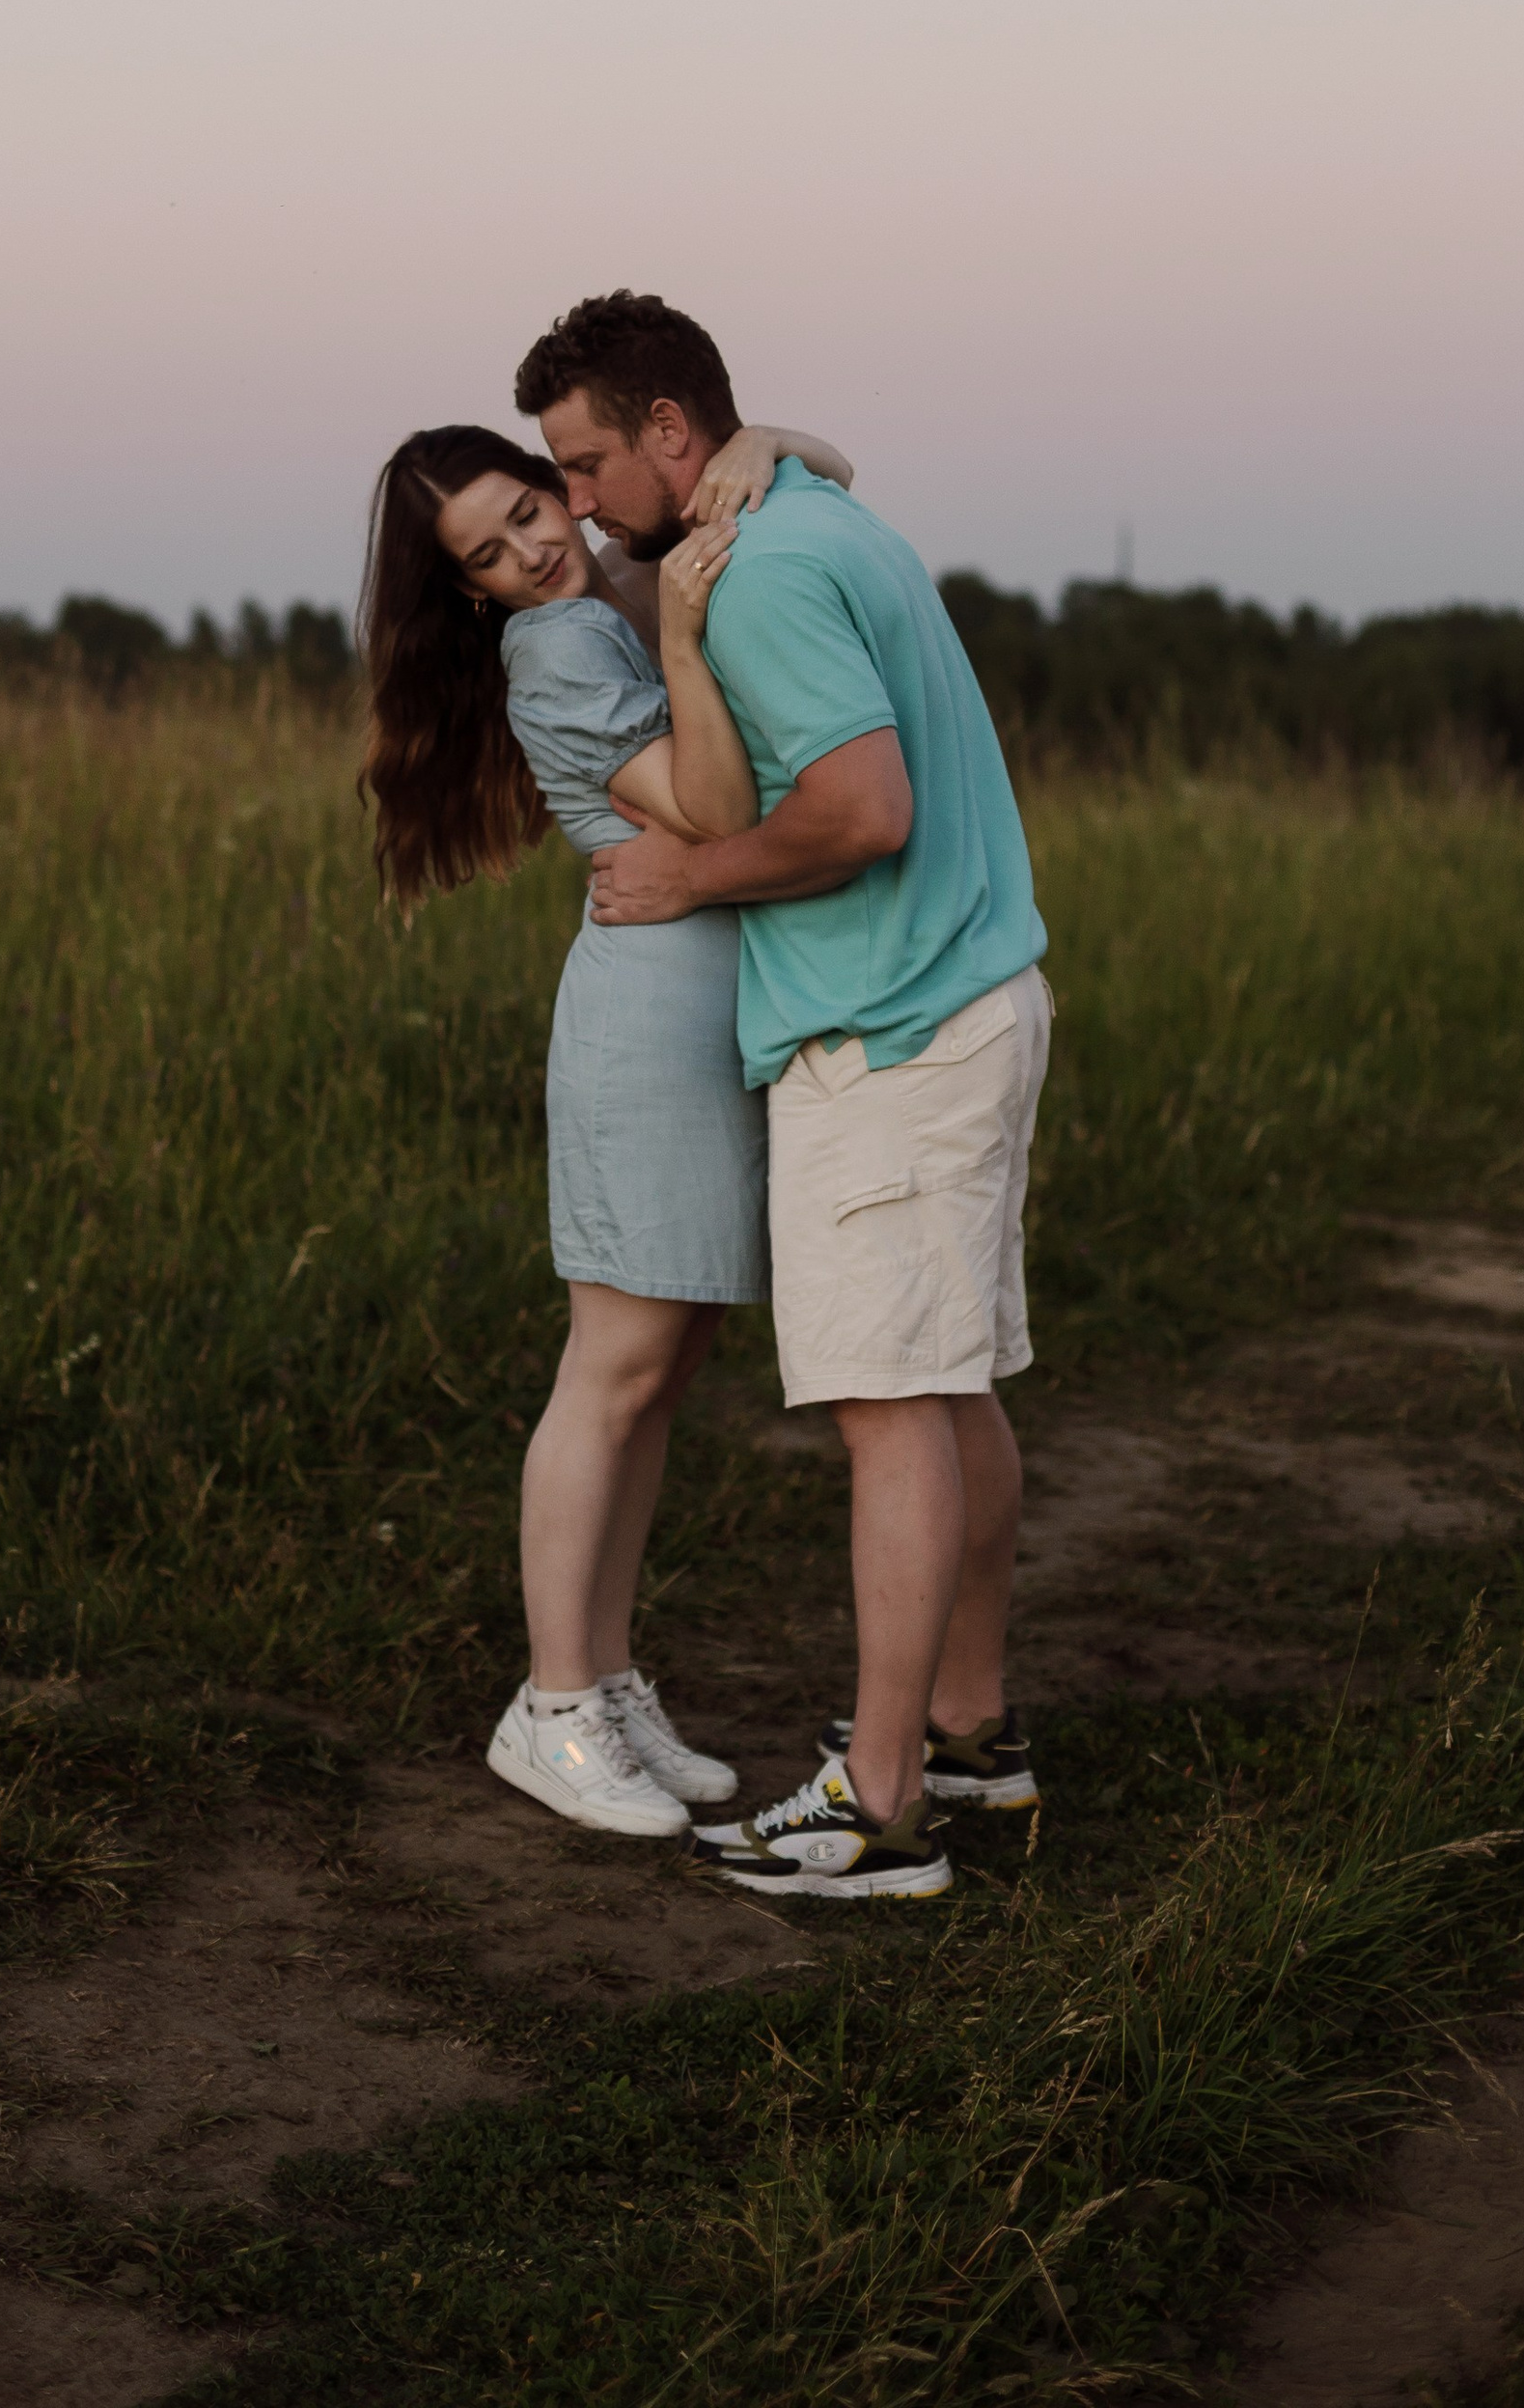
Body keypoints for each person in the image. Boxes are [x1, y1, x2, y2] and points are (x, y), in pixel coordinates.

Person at [513, 291, 1051, 1904]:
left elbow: (863, 810)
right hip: (970, 996)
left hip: (890, 1028)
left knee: (890, 1407)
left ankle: (878, 1807)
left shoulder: (753, 578)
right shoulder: (814, 513)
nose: (577, 505)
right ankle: (966, 1732)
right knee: (949, 1387)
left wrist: (693, 877)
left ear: (675, 434)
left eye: (587, 465)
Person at [359, 412, 854, 1841]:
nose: (528, 551)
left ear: (555, 487)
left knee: (662, 1366)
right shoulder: (564, 649)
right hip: (646, 1032)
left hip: (700, 1014)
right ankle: (554, 1703)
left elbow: (829, 469)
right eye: (487, 554)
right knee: (614, 1369)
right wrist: (683, 639)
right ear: (468, 591)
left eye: (530, 510)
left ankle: (611, 1680)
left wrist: (762, 438)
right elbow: (715, 807)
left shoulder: (603, 588)